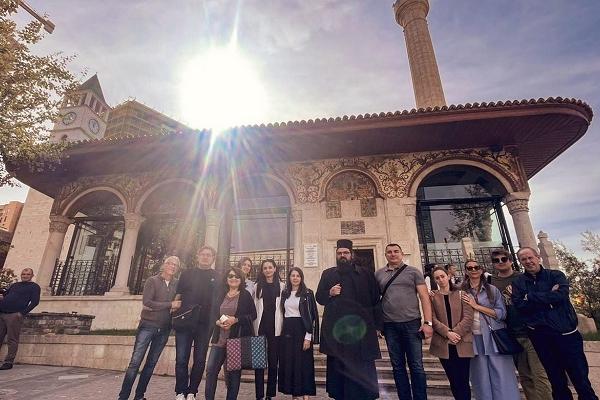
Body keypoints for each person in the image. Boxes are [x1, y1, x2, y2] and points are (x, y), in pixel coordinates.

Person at [512, 247, 598, 400]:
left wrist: (530, 297)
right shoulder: (518, 282)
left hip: (566, 333)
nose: (528, 261)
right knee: (556, 380)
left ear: (538, 257)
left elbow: (561, 296)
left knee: (580, 378)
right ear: (520, 262)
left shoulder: (556, 275)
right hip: (541, 335)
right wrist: (548, 297)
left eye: (530, 257)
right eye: (523, 259)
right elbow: (520, 305)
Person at [316, 239, 381, 400]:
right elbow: (319, 298)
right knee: (339, 369)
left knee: (362, 367)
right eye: (339, 253)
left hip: (361, 333)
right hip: (337, 333)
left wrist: (378, 326)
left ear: (351, 254)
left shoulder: (366, 274)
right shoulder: (328, 274)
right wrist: (329, 293)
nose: (342, 255)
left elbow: (376, 301)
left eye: (345, 253)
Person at [489, 248, 551, 400]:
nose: (501, 263)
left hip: (532, 330)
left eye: (504, 259)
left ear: (511, 261)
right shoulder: (491, 282)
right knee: (525, 376)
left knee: (540, 374)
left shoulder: (523, 278)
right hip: (510, 332)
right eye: (497, 261)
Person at [118, 256, 181, 400]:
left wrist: (168, 305)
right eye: (170, 263)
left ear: (177, 269)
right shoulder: (152, 281)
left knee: (151, 364)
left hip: (164, 329)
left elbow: (167, 304)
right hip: (147, 326)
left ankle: (139, 396)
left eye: (175, 265)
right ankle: (123, 397)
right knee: (135, 363)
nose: (172, 266)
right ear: (163, 265)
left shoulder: (176, 285)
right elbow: (147, 302)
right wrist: (169, 305)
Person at [374, 243, 433, 400]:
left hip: (412, 323)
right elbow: (375, 301)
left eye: (396, 251)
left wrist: (428, 323)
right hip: (390, 326)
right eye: (389, 252)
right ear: (385, 254)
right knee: (397, 366)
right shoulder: (378, 274)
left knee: (417, 366)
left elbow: (424, 297)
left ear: (401, 253)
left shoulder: (413, 272)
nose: (393, 254)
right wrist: (377, 325)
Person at [461, 259, 520, 400]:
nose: (473, 270)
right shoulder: (461, 291)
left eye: (476, 267)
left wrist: (476, 306)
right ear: (466, 271)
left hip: (493, 336)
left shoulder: (492, 290)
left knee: (501, 373)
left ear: (481, 270)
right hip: (473, 338)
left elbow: (501, 314)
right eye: (470, 268)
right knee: (479, 376)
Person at [173, 246, 219, 400]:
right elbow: (178, 295)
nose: (205, 257)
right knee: (181, 358)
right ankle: (180, 391)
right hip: (185, 321)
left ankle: (192, 391)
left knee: (199, 360)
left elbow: (219, 300)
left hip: (205, 325)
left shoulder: (217, 276)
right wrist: (175, 312)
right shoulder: (187, 274)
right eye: (203, 254)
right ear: (198, 256)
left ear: (213, 258)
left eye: (209, 255)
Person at [204, 267, 257, 400]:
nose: (233, 278)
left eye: (237, 276)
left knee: (233, 374)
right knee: (211, 370)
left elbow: (253, 315)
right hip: (219, 339)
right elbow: (212, 313)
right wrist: (217, 322)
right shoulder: (220, 293)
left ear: (241, 279)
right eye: (230, 276)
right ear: (226, 279)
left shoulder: (245, 295)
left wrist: (236, 319)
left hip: (236, 340)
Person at [430, 266, 474, 400]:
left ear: (448, 276)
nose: (441, 280)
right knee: (453, 380)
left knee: (464, 380)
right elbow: (432, 318)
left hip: (461, 342)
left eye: (442, 276)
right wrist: (447, 333)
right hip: (444, 343)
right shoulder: (432, 296)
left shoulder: (461, 294)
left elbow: (468, 317)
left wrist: (455, 333)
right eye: (437, 278)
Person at [278, 267, 319, 400]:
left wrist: (308, 337)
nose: (295, 278)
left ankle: (305, 394)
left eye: (298, 276)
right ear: (289, 278)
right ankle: (295, 394)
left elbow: (312, 316)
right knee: (290, 362)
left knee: (304, 363)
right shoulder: (285, 293)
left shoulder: (307, 293)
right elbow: (282, 314)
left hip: (302, 329)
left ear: (301, 278)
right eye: (293, 275)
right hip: (288, 331)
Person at [253, 259, 285, 400]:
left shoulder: (282, 286)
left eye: (270, 267)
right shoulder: (257, 286)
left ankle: (269, 395)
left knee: (273, 362)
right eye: (265, 268)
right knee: (258, 363)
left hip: (275, 329)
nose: (267, 270)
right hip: (259, 328)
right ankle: (259, 395)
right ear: (262, 270)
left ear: (274, 269)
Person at [0, 268, 40, 370]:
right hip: (2, 313)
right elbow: (5, 295)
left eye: (28, 274)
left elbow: (35, 302)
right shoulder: (15, 285)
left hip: (14, 315)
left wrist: (21, 313)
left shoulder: (34, 287)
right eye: (23, 274)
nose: (25, 275)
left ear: (32, 275)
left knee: (12, 339)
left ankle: (8, 362)